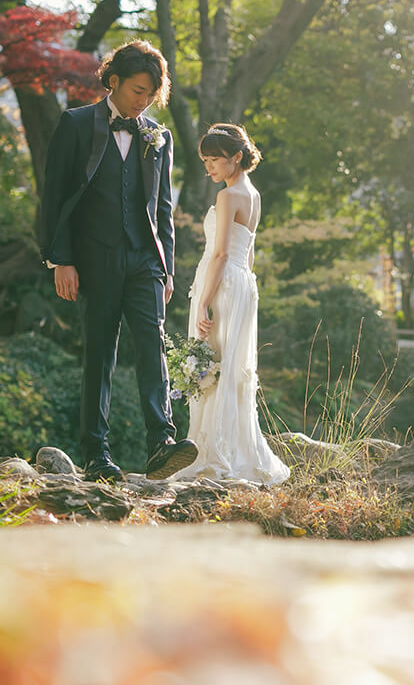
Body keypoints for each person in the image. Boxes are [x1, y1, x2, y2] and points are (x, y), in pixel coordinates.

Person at [41, 39, 197, 483]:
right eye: (137, 90)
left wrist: (167, 267)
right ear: (113, 82)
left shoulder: (158, 137)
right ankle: (96, 453)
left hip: (145, 258)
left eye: (151, 94)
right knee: (101, 352)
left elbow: (162, 207)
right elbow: (54, 198)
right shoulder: (75, 125)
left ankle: (161, 442)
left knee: (152, 341)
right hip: (95, 257)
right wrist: (61, 259)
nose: (144, 101)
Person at [173, 123, 290, 485]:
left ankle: (213, 453)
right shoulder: (252, 193)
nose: (208, 167)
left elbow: (222, 252)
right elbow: (247, 253)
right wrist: (246, 291)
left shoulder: (228, 197)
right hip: (242, 284)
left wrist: (205, 301)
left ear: (236, 157)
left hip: (222, 284)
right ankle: (235, 450)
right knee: (228, 366)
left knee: (212, 366)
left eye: (214, 160)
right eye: (205, 160)